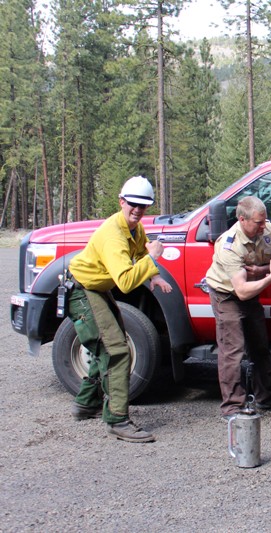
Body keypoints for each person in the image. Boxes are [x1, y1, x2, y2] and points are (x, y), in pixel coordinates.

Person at [67, 175, 172, 443]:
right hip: (84, 291)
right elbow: (125, 282)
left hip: (97, 289)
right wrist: (153, 258)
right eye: (133, 204)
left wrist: (154, 275)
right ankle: (117, 420)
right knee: (116, 350)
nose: (138, 210)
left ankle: (86, 403)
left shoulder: (134, 228)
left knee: (109, 345)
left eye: (144, 205)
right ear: (121, 202)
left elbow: (137, 255)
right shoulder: (113, 234)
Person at [205, 196, 271, 421]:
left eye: (264, 221)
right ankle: (232, 406)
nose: (264, 226)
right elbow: (241, 291)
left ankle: (265, 397)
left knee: (260, 347)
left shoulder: (268, 230)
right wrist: (269, 277)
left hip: (251, 294)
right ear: (242, 219)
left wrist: (258, 272)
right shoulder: (229, 245)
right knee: (233, 350)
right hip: (227, 295)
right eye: (258, 222)